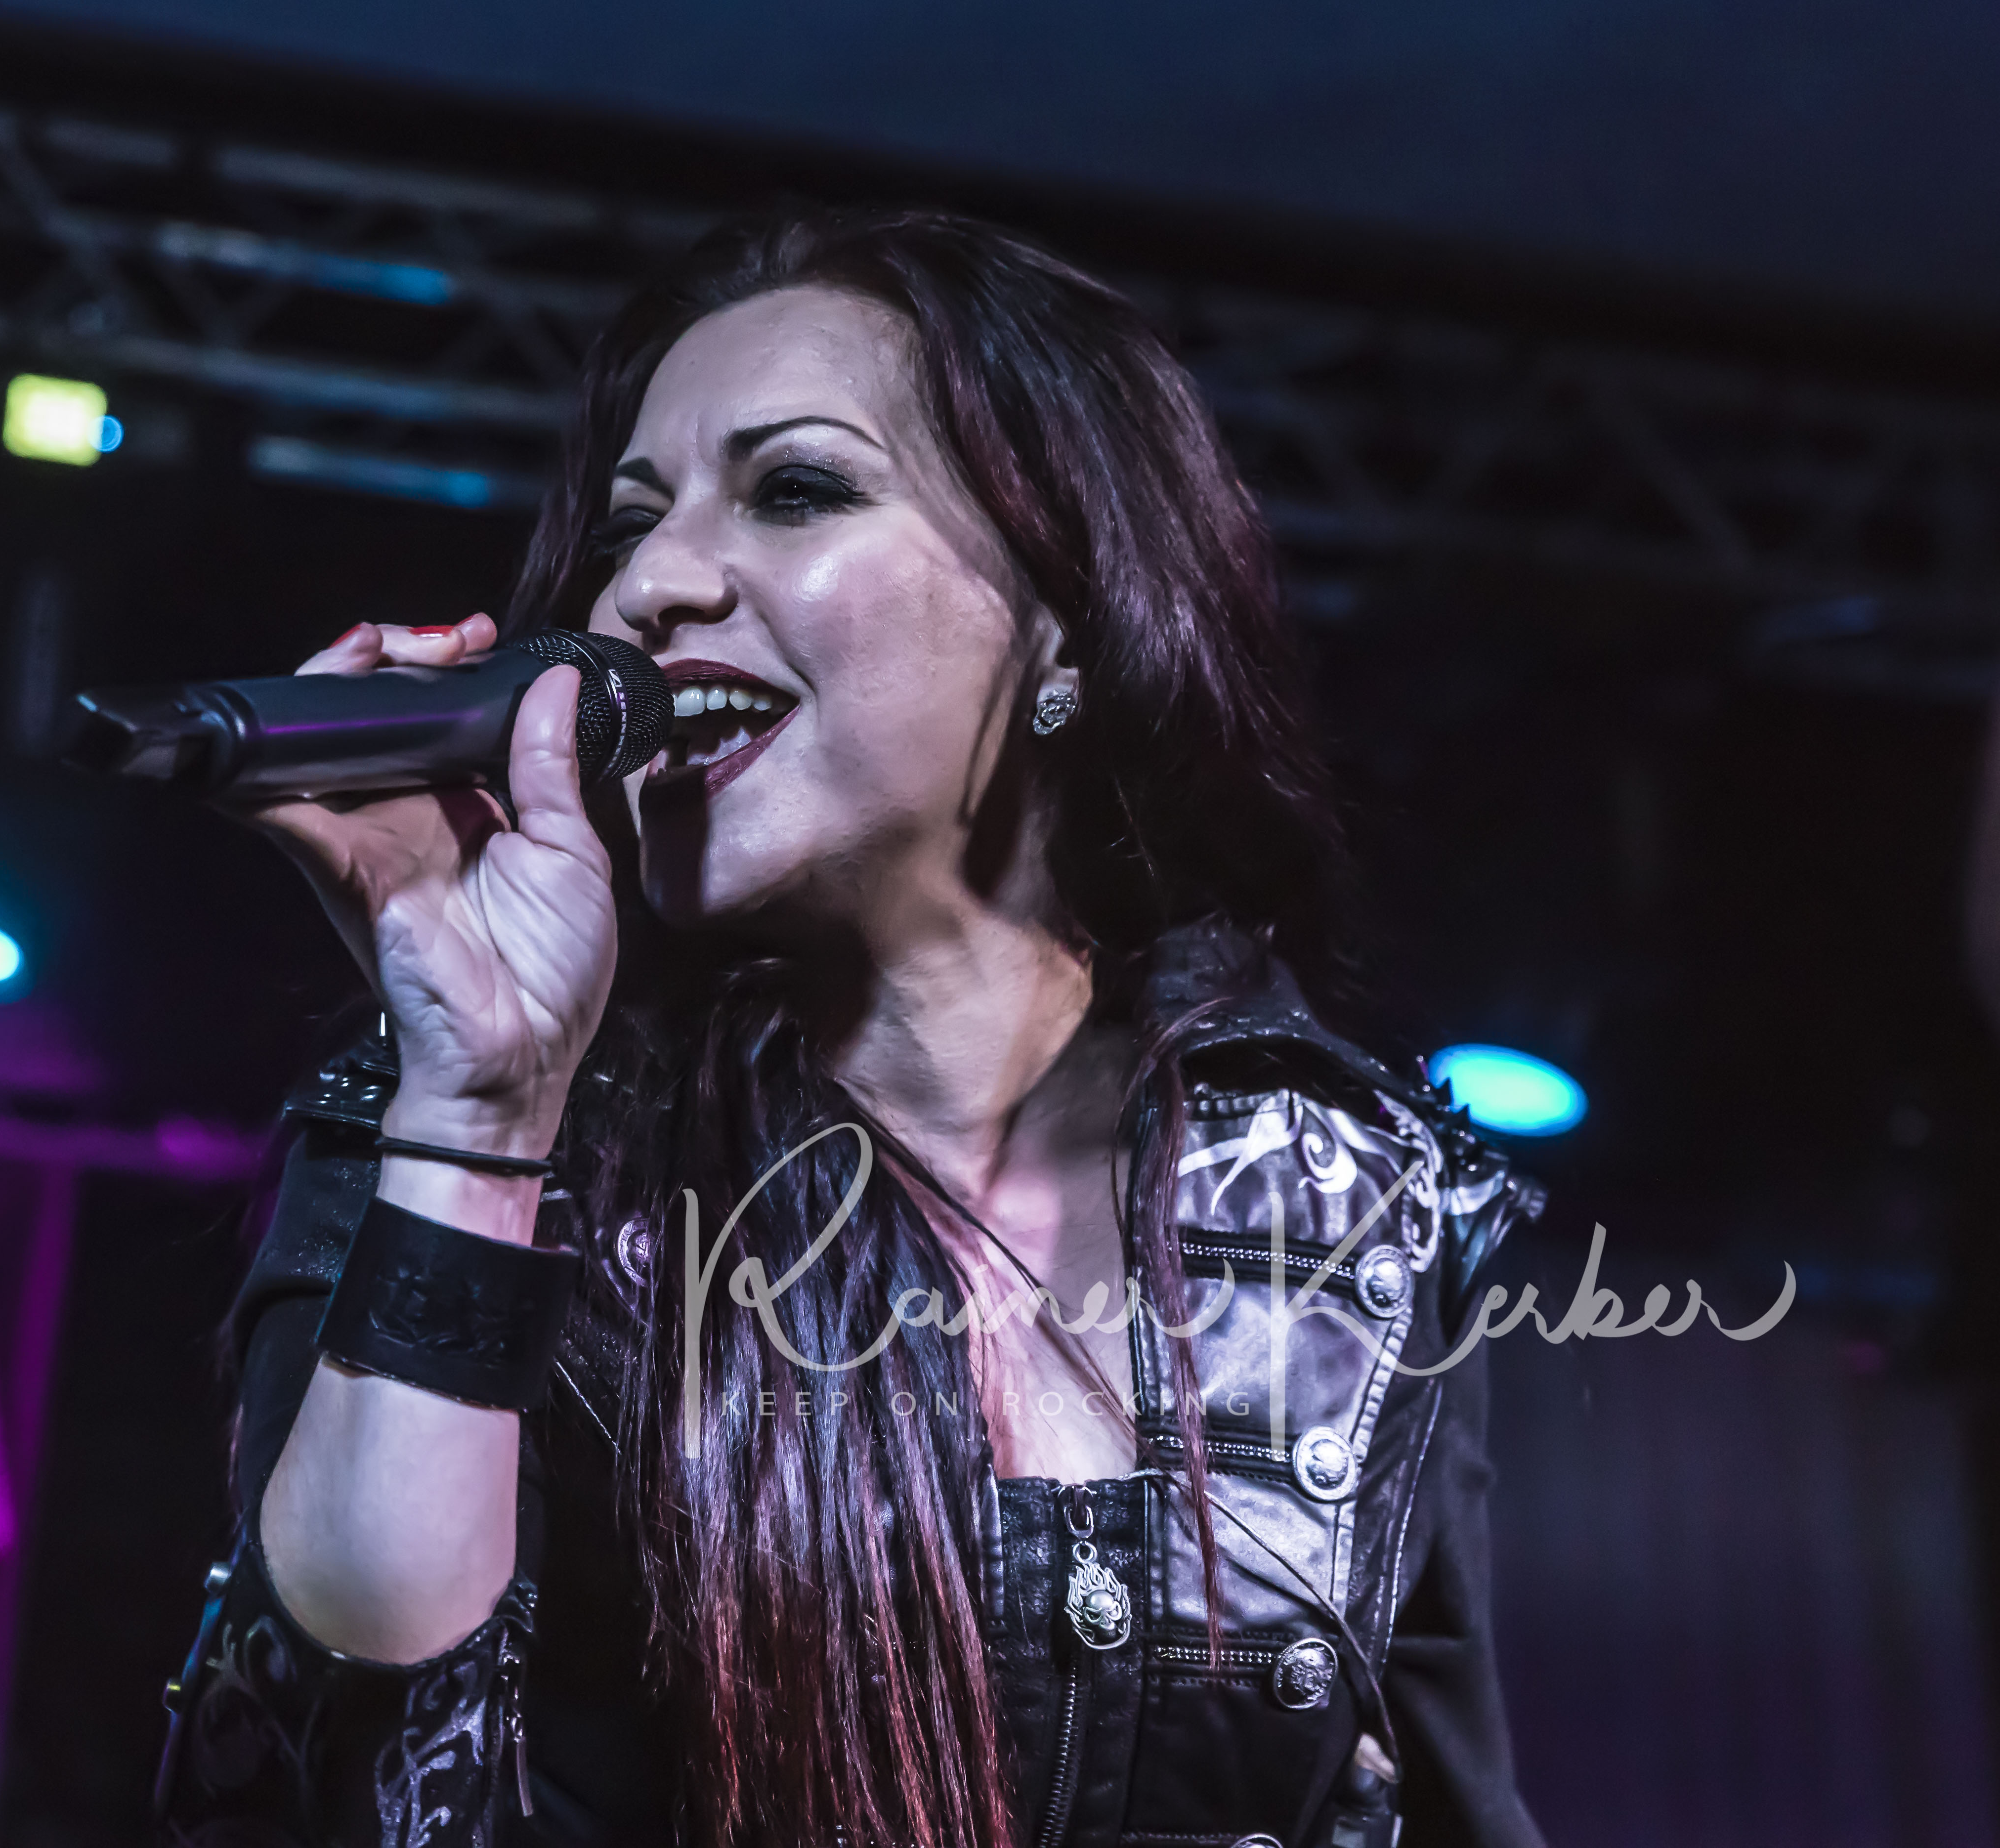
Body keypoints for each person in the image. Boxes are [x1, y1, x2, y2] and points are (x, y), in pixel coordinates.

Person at [158, 208, 1547, 1848]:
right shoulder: (503, 1147)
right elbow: (337, 1776)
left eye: (797, 489)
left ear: (1065, 615)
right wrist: (477, 1112)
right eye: (631, 523)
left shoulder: (1344, 1201)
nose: (651, 584)